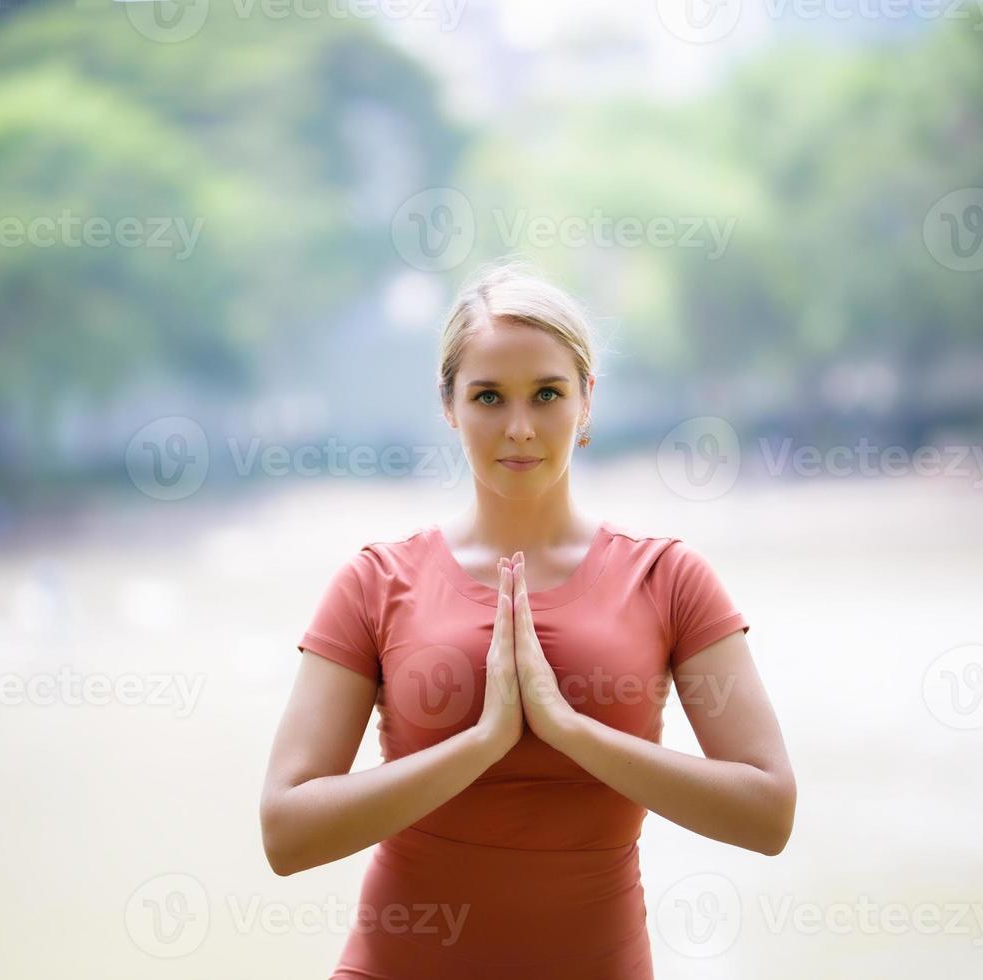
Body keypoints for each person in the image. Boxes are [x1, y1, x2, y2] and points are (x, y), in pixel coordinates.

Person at [258, 260, 796, 979]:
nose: (519, 428)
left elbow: (768, 814)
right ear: (449, 404)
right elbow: (286, 833)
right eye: (488, 397)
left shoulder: (668, 579)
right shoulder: (375, 581)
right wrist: (482, 743)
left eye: (547, 394)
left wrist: (571, 730)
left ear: (587, 401)